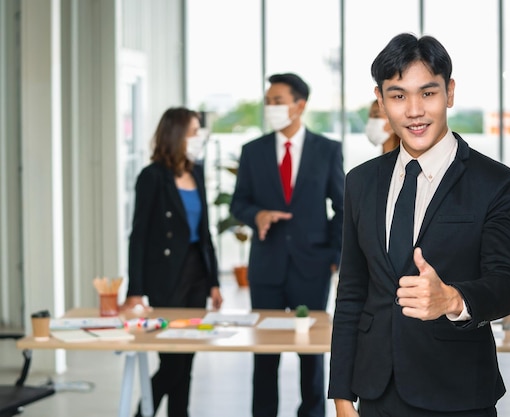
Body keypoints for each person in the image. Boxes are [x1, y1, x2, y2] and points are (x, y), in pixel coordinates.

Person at [328, 33, 510, 417]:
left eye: (428, 93)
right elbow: (352, 291)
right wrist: (341, 393)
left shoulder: (495, 182)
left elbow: (506, 285)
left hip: (457, 390)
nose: (414, 110)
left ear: (449, 93)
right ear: (381, 100)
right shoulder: (361, 181)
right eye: (399, 96)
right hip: (375, 391)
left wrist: (451, 298)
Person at [230, 73, 345, 417]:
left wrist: (334, 255)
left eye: (277, 101)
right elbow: (239, 203)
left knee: (311, 353)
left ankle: (311, 413)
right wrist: (258, 214)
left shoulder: (327, 150)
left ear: (300, 105)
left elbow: (342, 207)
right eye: (268, 101)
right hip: (267, 265)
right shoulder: (253, 151)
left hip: (313, 266)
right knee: (264, 352)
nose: (270, 107)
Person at [121, 107, 223, 417]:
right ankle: (142, 413)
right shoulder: (151, 176)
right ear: (177, 134)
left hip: (197, 273)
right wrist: (135, 290)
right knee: (172, 362)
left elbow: (204, 232)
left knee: (188, 357)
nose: (198, 138)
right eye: (193, 131)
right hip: (166, 276)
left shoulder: (197, 171)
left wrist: (215, 281)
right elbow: (138, 236)